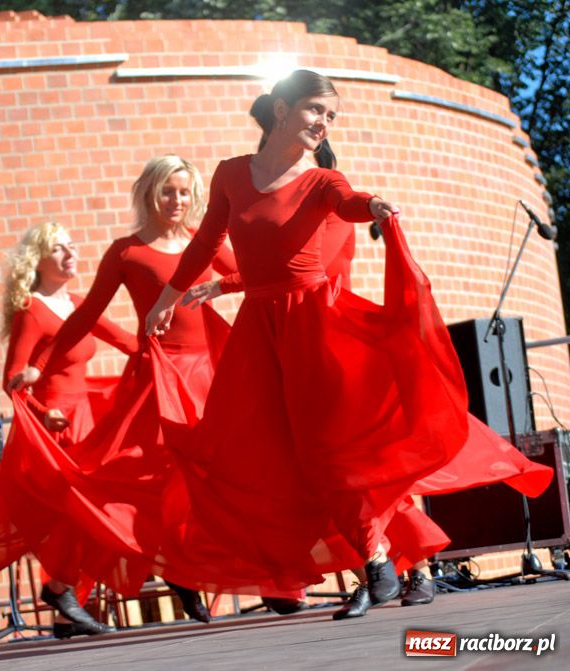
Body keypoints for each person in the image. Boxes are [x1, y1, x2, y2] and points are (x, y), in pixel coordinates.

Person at [145, 69, 473, 612]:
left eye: (331, 116)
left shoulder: (321, 181)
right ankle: (331, 567)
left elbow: (345, 202)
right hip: (260, 331)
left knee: (335, 452)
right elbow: (207, 241)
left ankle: (384, 560)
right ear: (280, 110)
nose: (324, 123)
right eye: (315, 110)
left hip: (314, 326)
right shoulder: (230, 175)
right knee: (264, 452)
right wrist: (167, 300)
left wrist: (371, 206)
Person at [10, 155, 238, 620]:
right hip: (161, 378)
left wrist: (220, 286)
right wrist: (40, 365)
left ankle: (247, 575)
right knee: (144, 479)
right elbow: (88, 314)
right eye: (168, 191)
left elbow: (250, 274)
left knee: (227, 472)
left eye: (184, 192)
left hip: (209, 373)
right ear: (149, 193)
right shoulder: (126, 252)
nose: (177, 200)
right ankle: (170, 569)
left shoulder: (202, 240)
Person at [0, 221, 136, 638]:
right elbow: (13, 380)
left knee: (99, 512)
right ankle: (61, 590)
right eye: (59, 248)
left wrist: (175, 347)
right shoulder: (32, 310)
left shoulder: (80, 303)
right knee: (85, 516)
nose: (70, 254)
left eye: (72, 245)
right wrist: (43, 413)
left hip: (87, 423)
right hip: (58, 429)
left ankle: (65, 609)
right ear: (40, 260)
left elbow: (126, 341)